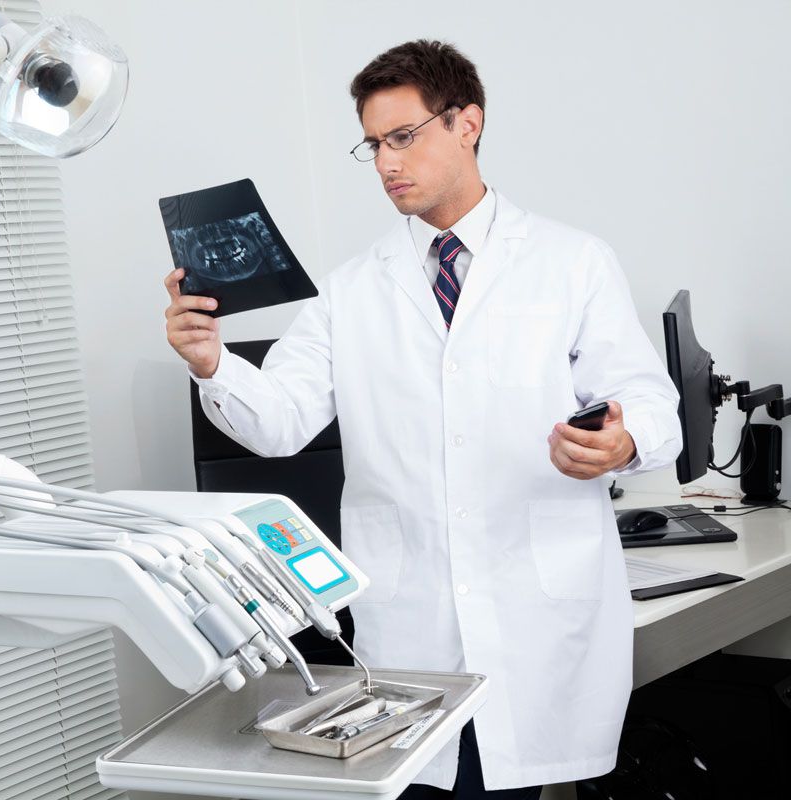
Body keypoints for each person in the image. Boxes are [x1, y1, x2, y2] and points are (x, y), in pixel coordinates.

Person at [162, 40, 681, 800]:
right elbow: (280, 423)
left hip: (534, 611)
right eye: (373, 145)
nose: (385, 163)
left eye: (402, 137)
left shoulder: (572, 263)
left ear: (467, 124)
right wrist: (212, 362)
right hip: (412, 622)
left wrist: (622, 442)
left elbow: (651, 402)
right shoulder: (350, 291)